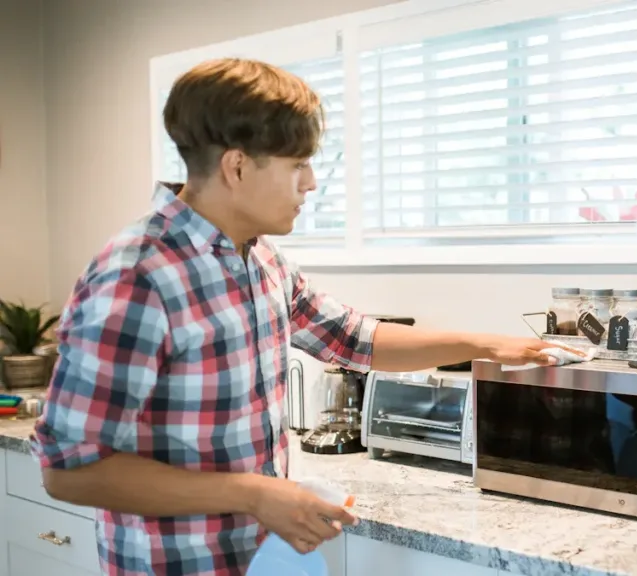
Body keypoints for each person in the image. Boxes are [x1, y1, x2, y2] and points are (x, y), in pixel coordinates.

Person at [31, 57, 577, 576]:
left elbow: (354, 338)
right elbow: (70, 470)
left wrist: (491, 345)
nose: (311, 183)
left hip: (261, 557)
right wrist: (253, 493)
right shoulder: (137, 275)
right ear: (236, 166)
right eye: (297, 165)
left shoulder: (259, 257)